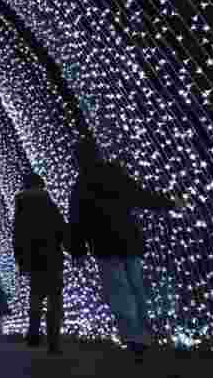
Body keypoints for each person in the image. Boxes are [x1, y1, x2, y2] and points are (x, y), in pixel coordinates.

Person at [68, 153, 186, 358]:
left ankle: (135, 337)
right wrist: (171, 204)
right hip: (129, 241)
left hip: (104, 244)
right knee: (136, 286)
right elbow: (141, 196)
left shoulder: (81, 186)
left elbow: (76, 223)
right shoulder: (116, 176)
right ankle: (144, 333)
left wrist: (78, 251)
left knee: (119, 289)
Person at [12, 172, 66, 354]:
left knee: (36, 295)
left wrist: (21, 261)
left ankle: (34, 333)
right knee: (54, 298)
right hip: (53, 257)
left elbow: (17, 237)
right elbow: (61, 229)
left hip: (33, 260)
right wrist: (75, 248)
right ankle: (53, 341)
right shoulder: (49, 205)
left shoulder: (21, 208)